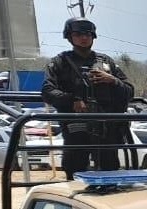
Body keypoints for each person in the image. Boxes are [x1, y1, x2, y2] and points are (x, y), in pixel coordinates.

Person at [42, 17, 133, 178]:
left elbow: (129, 91)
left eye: (88, 34)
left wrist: (112, 80)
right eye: (78, 34)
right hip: (77, 128)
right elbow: (47, 91)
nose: (84, 38)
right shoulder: (60, 62)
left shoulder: (106, 62)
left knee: (110, 174)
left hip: (106, 129)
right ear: (70, 37)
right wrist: (72, 100)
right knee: (75, 174)